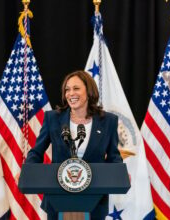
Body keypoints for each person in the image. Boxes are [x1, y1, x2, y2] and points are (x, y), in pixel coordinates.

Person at [25, 70, 123, 220]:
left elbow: (113, 156)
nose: (71, 93)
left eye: (76, 88)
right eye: (67, 90)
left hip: (94, 200)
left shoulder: (108, 121)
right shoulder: (53, 118)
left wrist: (119, 173)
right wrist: (28, 171)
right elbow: (37, 152)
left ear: (89, 91)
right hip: (58, 199)